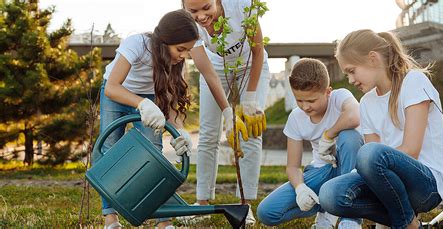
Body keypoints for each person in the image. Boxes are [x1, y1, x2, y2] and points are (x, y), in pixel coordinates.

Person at [93, 10, 234, 229]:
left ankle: (163, 221)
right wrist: (141, 104)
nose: (183, 56)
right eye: (181, 49)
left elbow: (171, 99)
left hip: (150, 98)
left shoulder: (175, 61)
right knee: (109, 150)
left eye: (187, 51)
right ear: (165, 41)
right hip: (117, 93)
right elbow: (112, 87)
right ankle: (111, 219)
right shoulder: (137, 44)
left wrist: (180, 131)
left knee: (154, 154)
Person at [319, 29, 443, 229]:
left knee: (368, 154)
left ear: (372, 59)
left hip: (427, 185)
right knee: (330, 194)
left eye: (351, 70)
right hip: (388, 186)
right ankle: (409, 223)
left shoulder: (414, 82)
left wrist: (370, 161)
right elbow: (370, 164)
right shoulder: (366, 102)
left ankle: (403, 223)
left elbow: (411, 150)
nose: (350, 80)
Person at [181, 0, 271, 225]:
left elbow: (258, 51)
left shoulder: (242, 5)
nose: (201, 16)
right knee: (209, 134)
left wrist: (249, 99)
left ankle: (245, 204)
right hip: (215, 68)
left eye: (206, 7)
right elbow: (208, 73)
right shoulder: (186, 24)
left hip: (250, 64)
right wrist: (227, 111)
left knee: (250, 133)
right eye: (193, 11)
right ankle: (202, 204)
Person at [257, 58, 364, 229]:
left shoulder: (339, 97)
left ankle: (349, 219)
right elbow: (292, 166)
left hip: (350, 169)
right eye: (299, 100)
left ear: (328, 92)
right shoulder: (295, 118)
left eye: (311, 101)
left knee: (349, 136)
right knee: (266, 212)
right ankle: (327, 207)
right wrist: (300, 189)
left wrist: (328, 135)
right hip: (322, 171)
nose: (305, 107)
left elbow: (354, 116)